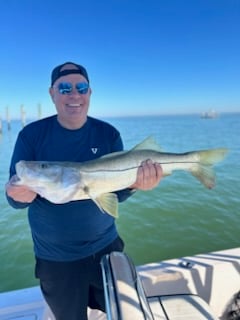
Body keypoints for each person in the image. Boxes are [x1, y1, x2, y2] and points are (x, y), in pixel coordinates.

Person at [5, 61, 162, 320]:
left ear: (90, 92)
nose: (74, 94)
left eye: (81, 87)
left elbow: (117, 193)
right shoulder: (31, 136)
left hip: (107, 247)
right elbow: (17, 197)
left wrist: (137, 185)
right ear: (52, 93)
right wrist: (16, 196)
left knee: (115, 312)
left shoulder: (108, 133)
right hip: (56, 259)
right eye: (65, 88)